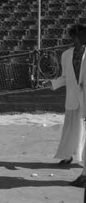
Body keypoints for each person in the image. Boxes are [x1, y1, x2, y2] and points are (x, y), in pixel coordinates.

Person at [43, 24, 86, 186]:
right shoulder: (66, 55)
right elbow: (65, 77)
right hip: (73, 98)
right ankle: (67, 156)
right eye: (75, 36)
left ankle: (81, 161)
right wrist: (52, 83)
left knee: (84, 131)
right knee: (70, 128)